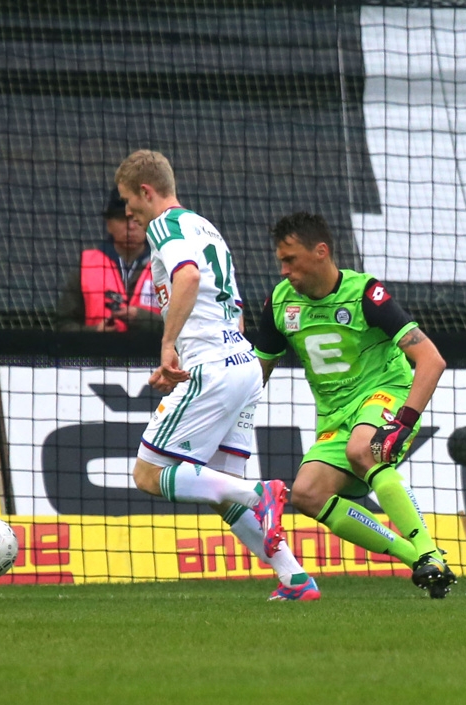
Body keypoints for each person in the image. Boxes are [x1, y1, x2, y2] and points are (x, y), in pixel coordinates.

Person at [116, 150, 320, 601]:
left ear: (147, 192)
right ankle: (296, 579)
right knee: (220, 494)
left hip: (211, 368)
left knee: (149, 475)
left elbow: (186, 278)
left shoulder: (165, 226)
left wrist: (169, 345)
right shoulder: (205, 226)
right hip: (242, 365)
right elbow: (236, 308)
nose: (128, 212)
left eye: (129, 201)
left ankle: (259, 493)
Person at [252, 211, 456, 598]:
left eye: (290, 259)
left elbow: (432, 360)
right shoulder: (279, 305)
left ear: (321, 252)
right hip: (334, 417)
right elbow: (256, 374)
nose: (284, 271)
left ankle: (429, 550)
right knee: (307, 494)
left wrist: (404, 423)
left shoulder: (365, 294)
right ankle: (420, 560)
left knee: (363, 449)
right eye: (280, 261)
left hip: (385, 393)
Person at [56, 187, 161, 332]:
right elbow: (63, 326)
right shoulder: (86, 267)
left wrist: (141, 318)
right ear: (109, 224)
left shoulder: (166, 266)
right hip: (98, 353)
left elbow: (185, 326)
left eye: (137, 218)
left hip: (151, 353)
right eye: (122, 218)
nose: (130, 226)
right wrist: (96, 332)